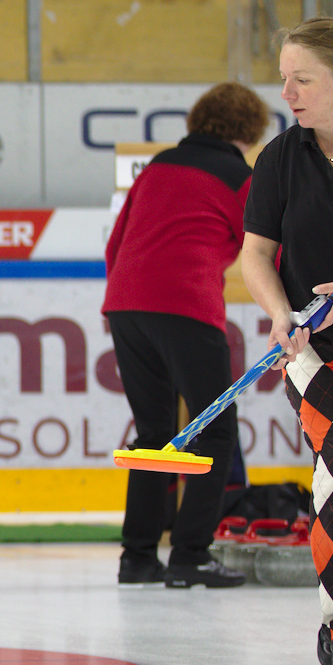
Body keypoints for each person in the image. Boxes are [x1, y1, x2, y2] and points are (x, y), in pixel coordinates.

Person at [103, 81, 269, 588]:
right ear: (251, 131)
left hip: (126, 304)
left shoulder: (156, 166)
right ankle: (191, 554)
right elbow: (264, 248)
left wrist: (117, 303)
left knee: (153, 433)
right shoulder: (241, 177)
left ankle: (137, 557)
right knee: (214, 429)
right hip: (186, 307)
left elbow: (117, 242)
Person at [241, 17, 333, 665]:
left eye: (302, 79)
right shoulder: (281, 156)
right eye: (284, 79)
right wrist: (280, 315)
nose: (289, 93)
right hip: (316, 352)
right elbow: (254, 254)